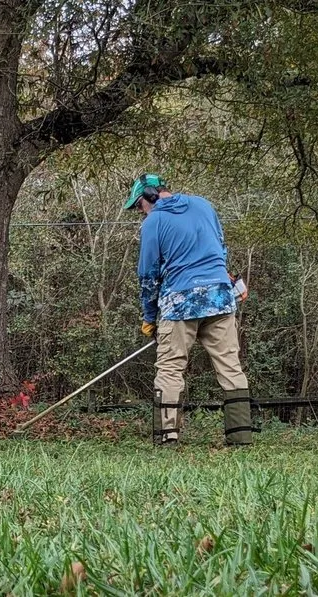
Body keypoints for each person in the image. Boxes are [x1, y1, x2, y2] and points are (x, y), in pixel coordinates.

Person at [123, 173, 252, 447]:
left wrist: (149, 317)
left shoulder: (153, 223)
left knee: (170, 369)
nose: (140, 212)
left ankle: (167, 437)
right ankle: (241, 437)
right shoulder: (204, 205)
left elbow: (148, 276)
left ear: (149, 196)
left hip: (180, 302)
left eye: (138, 206)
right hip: (219, 298)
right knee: (231, 366)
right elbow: (220, 248)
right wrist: (224, 280)